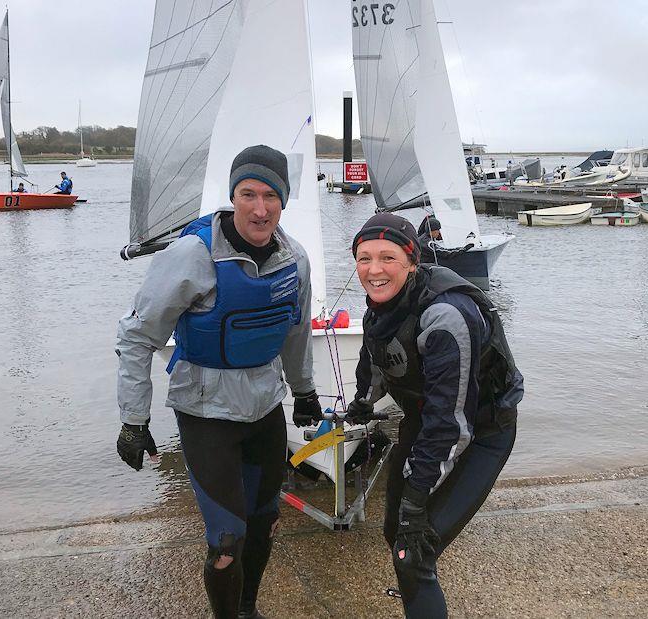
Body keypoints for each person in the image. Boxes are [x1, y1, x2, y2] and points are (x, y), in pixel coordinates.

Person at [115, 145, 322, 619]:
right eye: (248, 194)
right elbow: (136, 336)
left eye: (271, 195)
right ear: (233, 197)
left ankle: (248, 610)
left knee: (266, 520)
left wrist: (304, 390)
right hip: (207, 415)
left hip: (265, 409)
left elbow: (296, 328)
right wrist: (133, 419)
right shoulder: (192, 254)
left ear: (284, 201)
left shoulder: (296, 258)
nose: (260, 207)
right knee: (227, 539)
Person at [346, 213, 524, 618]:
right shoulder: (382, 301)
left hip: (482, 432)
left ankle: (417, 584)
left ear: (412, 262)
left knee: (413, 551)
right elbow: (376, 355)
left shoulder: (445, 318)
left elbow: (451, 425)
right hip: (425, 419)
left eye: (387, 258)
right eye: (364, 258)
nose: (374, 270)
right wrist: (363, 402)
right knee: (394, 532)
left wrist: (416, 496)